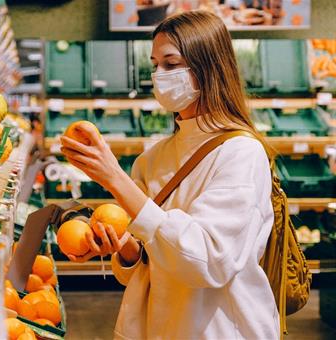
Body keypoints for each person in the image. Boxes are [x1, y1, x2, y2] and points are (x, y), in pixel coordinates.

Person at [60, 10, 279, 340]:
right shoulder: (153, 159)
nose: (158, 75)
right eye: (155, 64)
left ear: (208, 67)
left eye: (171, 64)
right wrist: (123, 248)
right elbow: (150, 261)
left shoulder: (241, 154)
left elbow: (208, 262)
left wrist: (114, 179)